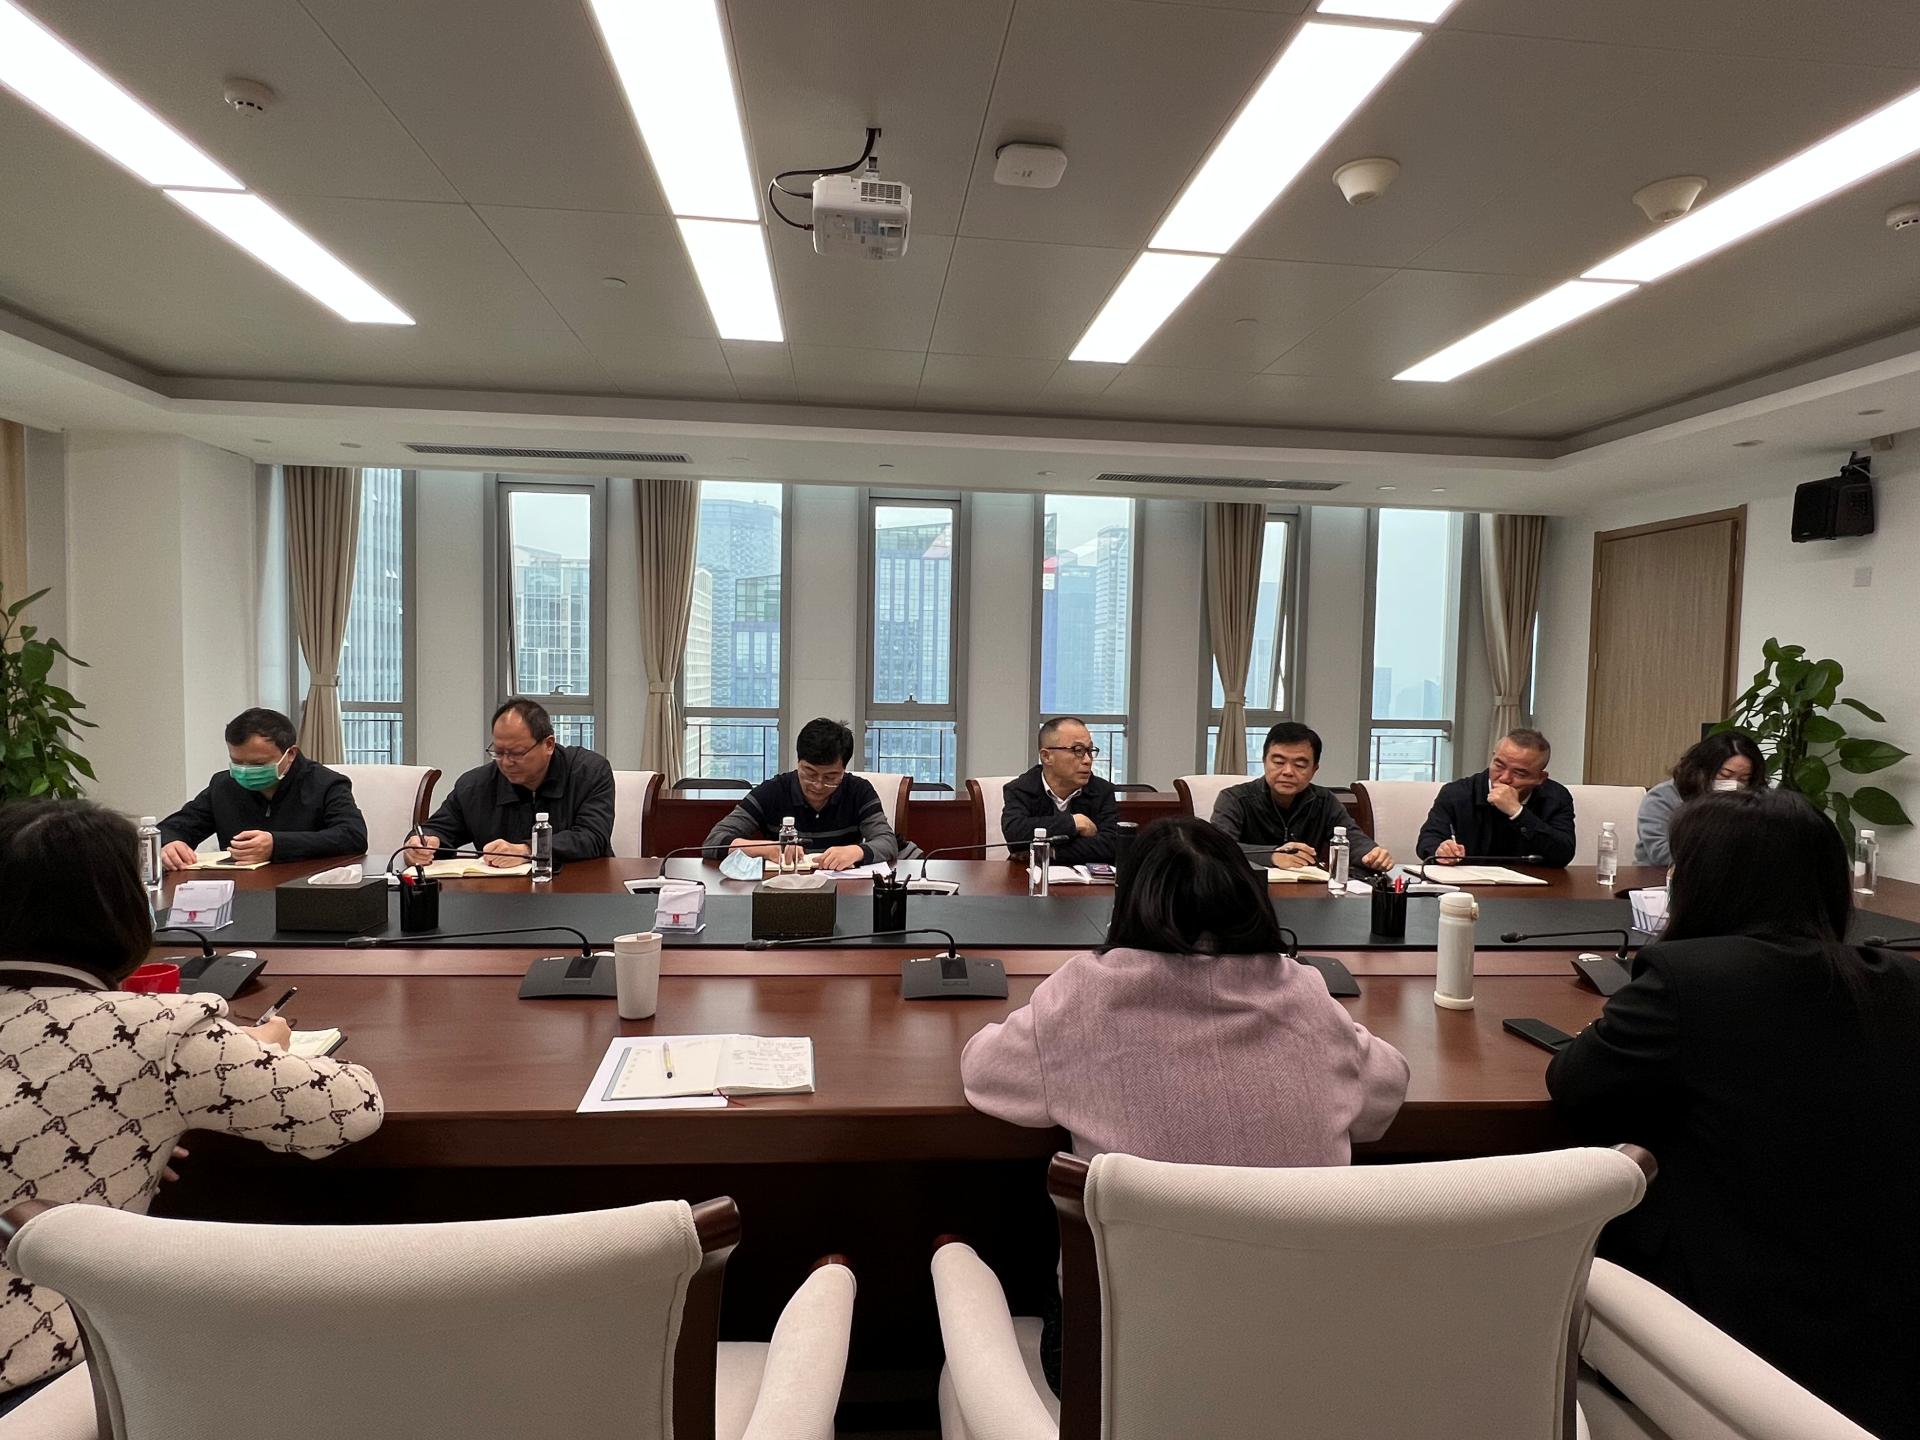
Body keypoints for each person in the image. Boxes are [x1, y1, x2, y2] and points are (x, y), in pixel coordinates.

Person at [1547, 789, 1920, 1439]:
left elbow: (1576, 1089)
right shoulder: (1903, 981)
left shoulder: (1688, 977)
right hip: (1887, 1332)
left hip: (1732, 1337)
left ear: (1705, 881)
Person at [0, 801, 384, 1414]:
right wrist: (259, 1051)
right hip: (39, 1380)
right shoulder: (153, 1032)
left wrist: (128, 1125)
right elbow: (350, 1108)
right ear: (119, 908)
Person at [962, 816, 1409, 1164]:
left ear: (1130, 902)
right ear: (1249, 897)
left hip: (1139, 1261)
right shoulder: (1302, 991)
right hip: (1305, 1257)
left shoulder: (1086, 992)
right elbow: (1386, 1092)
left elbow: (983, 1072)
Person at [404, 698, 613, 867]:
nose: (505, 762)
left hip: (579, 888)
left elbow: (592, 837)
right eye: (498, 752)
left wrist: (527, 850)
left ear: (549, 744)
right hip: (500, 896)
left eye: (517, 753)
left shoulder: (589, 772)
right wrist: (421, 845)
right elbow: (437, 829)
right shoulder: (475, 786)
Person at [158, 707, 367, 869]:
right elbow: (172, 828)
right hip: (239, 891)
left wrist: (276, 845)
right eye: (237, 762)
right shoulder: (224, 785)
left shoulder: (326, 783)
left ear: (290, 754)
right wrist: (171, 844)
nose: (245, 771)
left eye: (258, 764)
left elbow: (353, 836)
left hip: (304, 888)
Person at [701, 718, 899, 870]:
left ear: (844, 769)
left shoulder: (858, 791)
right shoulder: (773, 791)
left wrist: (856, 851)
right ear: (798, 763)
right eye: (810, 774)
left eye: (830, 777)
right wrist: (768, 849)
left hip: (843, 891)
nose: (818, 785)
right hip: (783, 891)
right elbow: (713, 841)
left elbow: (888, 842)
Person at [1209, 722, 1391, 871]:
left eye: (1300, 765)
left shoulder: (1324, 800)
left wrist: (1372, 854)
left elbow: (1351, 838)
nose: (1288, 771)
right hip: (1248, 891)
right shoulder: (1234, 799)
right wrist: (1271, 855)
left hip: (1306, 893)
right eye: (1278, 762)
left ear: (1314, 770)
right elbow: (1216, 848)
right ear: (1264, 762)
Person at [1416, 727, 1575, 868]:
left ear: (1540, 778)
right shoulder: (1457, 793)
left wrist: (1518, 812)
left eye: (1519, 773)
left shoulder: (1556, 798)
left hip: (1533, 887)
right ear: (1492, 758)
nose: (1504, 778)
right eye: (1499, 765)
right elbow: (1428, 839)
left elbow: (1563, 854)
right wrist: (1441, 850)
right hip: (1468, 884)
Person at [1633, 731, 1766, 866]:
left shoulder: (1753, 802)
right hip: (1660, 875)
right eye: (1724, 775)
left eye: (1743, 779)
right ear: (1702, 770)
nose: (1733, 784)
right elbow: (1661, 853)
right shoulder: (1663, 797)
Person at [999, 717, 1120, 865]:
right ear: (1046, 756)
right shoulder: (1020, 789)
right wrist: (1073, 822)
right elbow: (1015, 835)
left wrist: (1052, 852)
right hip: (1029, 875)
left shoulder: (1102, 791)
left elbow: (1111, 845)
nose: (1088, 760)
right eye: (1078, 750)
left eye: (1089, 751)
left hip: (1083, 877)